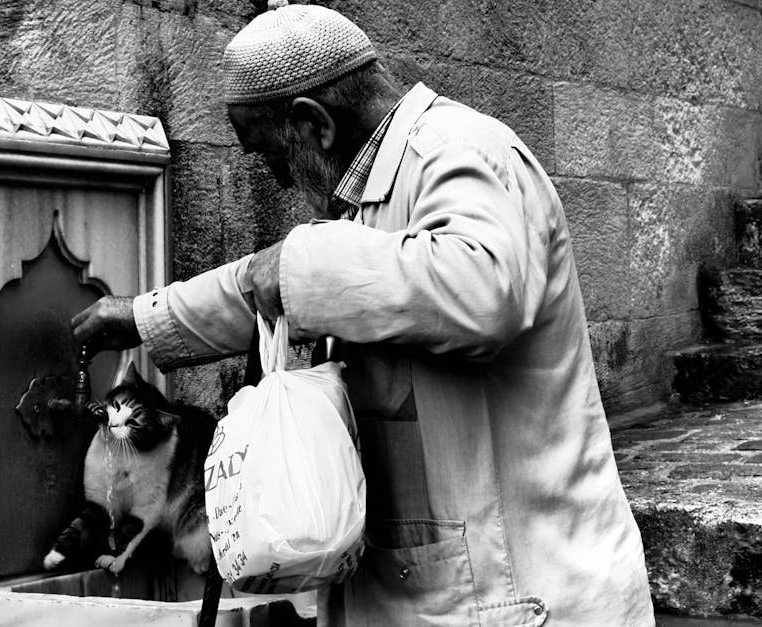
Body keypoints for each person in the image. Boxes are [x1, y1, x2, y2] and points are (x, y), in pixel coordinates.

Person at [72, 3, 655, 625]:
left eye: (271, 156)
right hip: (444, 585)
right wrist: (144, 317)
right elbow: (271, 285)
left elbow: (481, 290)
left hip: (515, 588)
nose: (277, 178)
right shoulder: (370, 191)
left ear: (313, 123)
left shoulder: (461, 151)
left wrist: (298, 265)